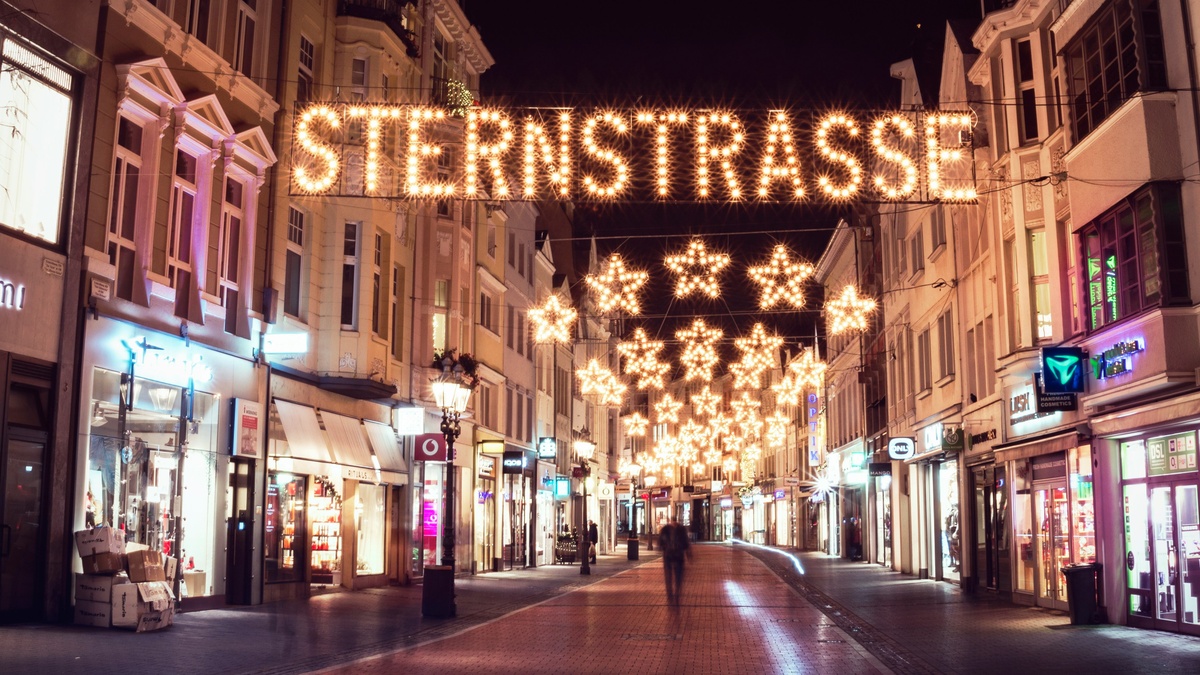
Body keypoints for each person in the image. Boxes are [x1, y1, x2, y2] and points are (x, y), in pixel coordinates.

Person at [658, 516, 692, 606]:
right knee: (678, 576)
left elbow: (660, 542)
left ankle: (670, 594)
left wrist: (663, 548)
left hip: (668, 556)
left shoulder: (665, 529)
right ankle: (676, 592)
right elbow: (686, 543)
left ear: (671, 521)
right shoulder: (681, 529)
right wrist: (688, 554)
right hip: (678, 556)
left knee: (669, 576)